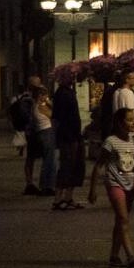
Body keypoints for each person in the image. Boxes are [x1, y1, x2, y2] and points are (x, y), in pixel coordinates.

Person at [88, 108, 134, 268]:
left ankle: (114, 255)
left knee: (121, 221)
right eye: (129, 120)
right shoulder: (110, 141)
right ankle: (130, 255)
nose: (133, 123)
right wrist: (93, 190)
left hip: (130, 184)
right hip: (114, 183)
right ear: (119, 123)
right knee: (124, 218)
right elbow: (98, 165)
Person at [52, 80, 86, 209]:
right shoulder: (63, 94)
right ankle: (58, 198)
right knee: (68, 166)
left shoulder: (68, 92)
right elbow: (58, 117)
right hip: (68, 136)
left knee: (76, 165)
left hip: (73, 135)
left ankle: (68, 197)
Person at [30, 86, 58, 196]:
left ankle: (47, 185)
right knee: (50, 161)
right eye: (45, 95)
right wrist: (49, 103)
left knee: (48, 160)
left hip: (42, 133)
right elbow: (54, 114)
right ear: (40, 96)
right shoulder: (41, 106)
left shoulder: (34, 106)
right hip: (47, 132)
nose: (47, 97)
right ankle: (47, 186)